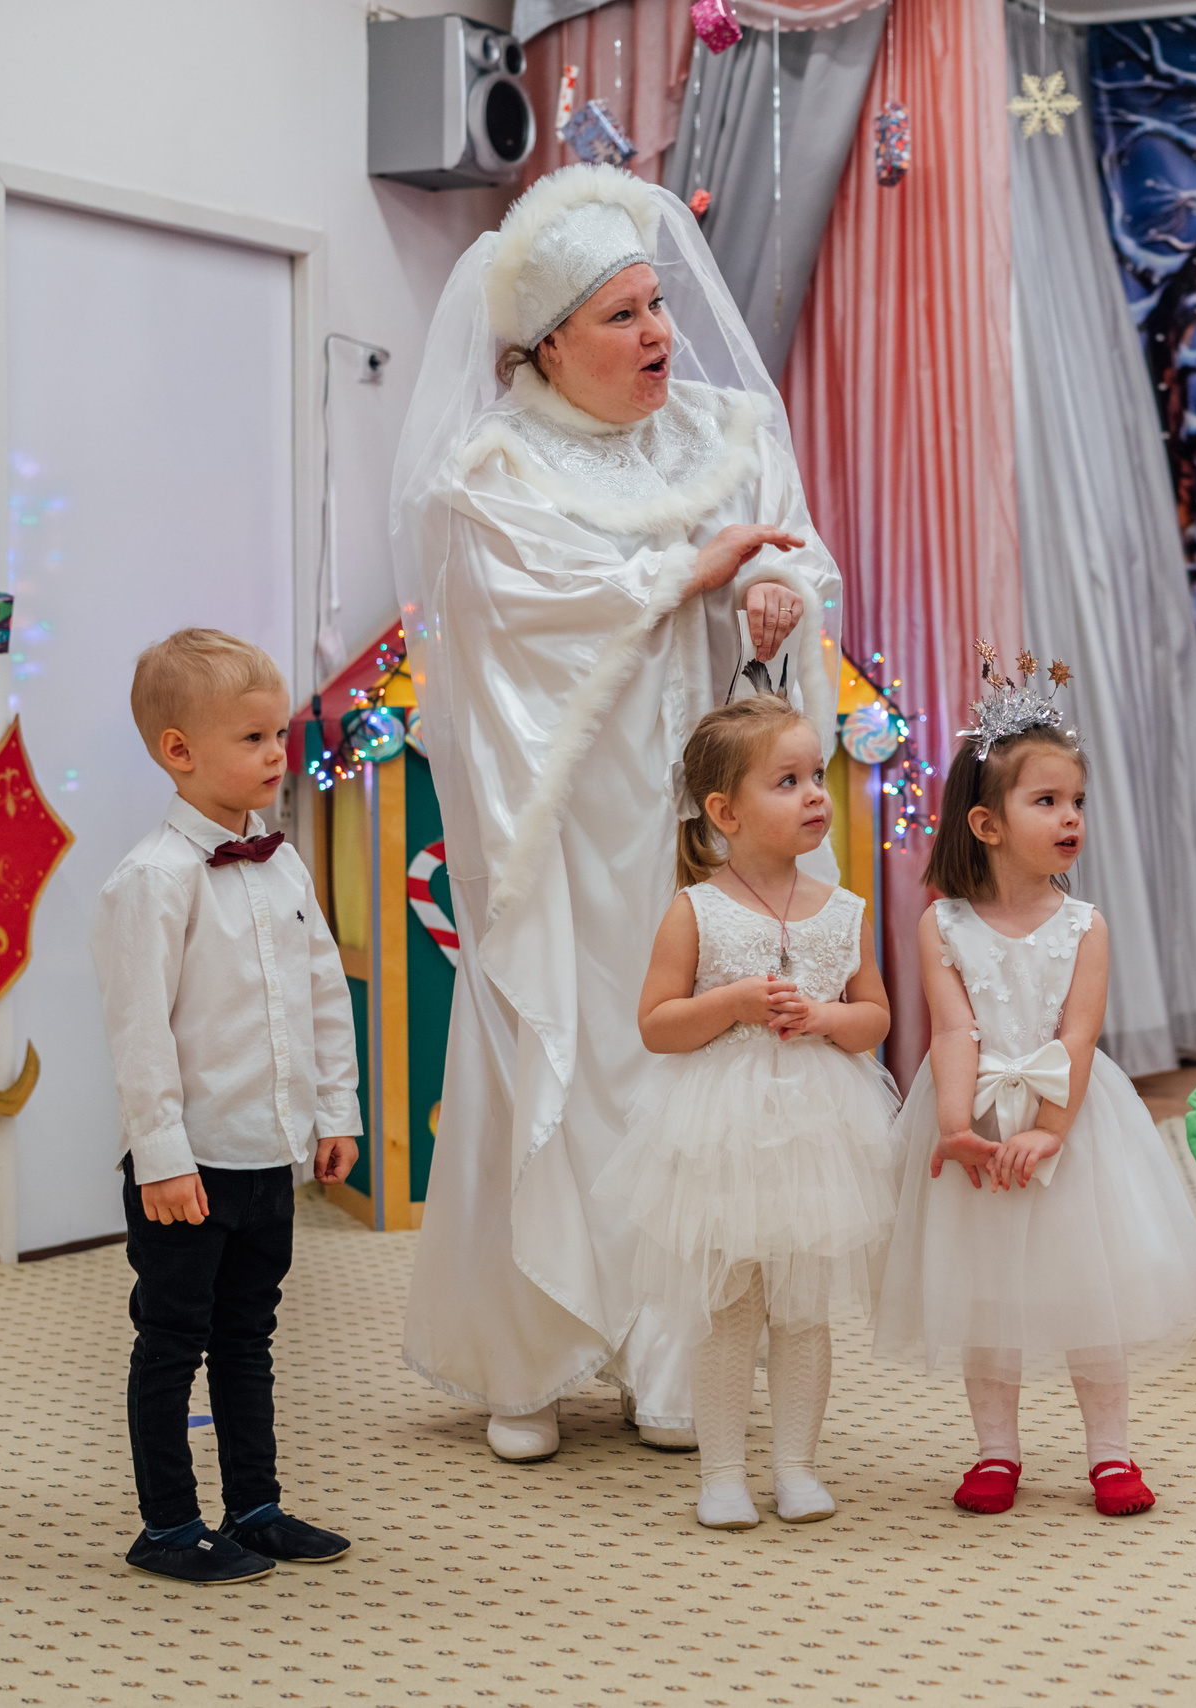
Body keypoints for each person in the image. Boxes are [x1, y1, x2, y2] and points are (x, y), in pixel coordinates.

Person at [390, 164, 844, 1461]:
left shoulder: (728, 433)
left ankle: (672, 1353)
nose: (658, 335)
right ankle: (526, 1359)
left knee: (686, 1063)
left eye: (658, 306)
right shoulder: (490, 471)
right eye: (622, 316)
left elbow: (793, 553)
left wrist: (772, 596)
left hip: (699, 825)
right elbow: (512, 622)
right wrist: (687, 572)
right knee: (567, 1048)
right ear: (548, 342)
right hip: (566, 838)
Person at [872, 654, 1196, 1517]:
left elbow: (1078, 1037)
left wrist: (1051, 1130)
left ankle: (1111, 1453)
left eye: (1077, 802)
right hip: (980, 1121)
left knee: (1090, 1287)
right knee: (986, 1291)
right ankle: (996, 1451)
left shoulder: (1085, 927)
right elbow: (953, 1030)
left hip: (1071, 1120)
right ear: (986, 824)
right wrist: (958, 1126)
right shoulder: (941, 924)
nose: (1070, 818)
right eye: (1047, 801)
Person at [92, 629, 363, 1584]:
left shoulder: (283, 865)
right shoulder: (151, 881)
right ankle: (168, 1525)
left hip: (265, 1154)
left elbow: (323, 992)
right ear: (179, 751)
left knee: (249, 1336)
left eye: (278, 734)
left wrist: (336, 1112)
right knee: (173, 1341)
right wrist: (161, 1157)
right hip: (188, 1165)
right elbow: (140, 1035)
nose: (276, 754)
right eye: (252, 739)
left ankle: (255, 1505)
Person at [594, 697, 899, 1529]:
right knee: (728, 1307)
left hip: (816, 1133)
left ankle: (796, 1466)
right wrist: (730, 1003)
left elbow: (875, 1017)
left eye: (816, 775)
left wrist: (827, 1018)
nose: (815, 794)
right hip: (724, 1132)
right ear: (725, 813)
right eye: (787, 781)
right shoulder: (696, 909)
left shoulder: (843, 909)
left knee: (802, 1309)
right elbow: (657, 1025)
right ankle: (722, 1474)